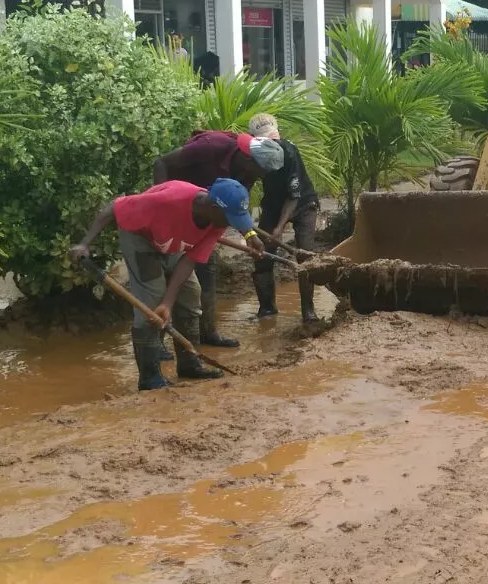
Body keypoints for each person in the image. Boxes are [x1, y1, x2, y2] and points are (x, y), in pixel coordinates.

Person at [69, 178, 264, 391]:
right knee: (151, 301)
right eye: (228, 218)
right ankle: (150, 378)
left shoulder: (215, 221)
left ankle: (189, 364)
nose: (229, 224)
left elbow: (189, 260)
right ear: (213, 207)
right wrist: (85, 243)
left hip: (170, 241)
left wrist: (169, 302)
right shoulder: (167, 201)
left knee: (191, 293)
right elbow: (114, 207)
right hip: (140, 239)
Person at [151, 130, 285, 347]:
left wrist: (249, 235)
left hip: (207, 221)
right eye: (262, 172)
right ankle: (158, 343)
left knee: (207, 270)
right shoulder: (211, 146)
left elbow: (238, 207)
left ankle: (207, 333)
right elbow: (161, 163)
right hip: (175, 213)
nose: (261, 177)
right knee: (166, 279)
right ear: (250, 160)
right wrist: (160, 204)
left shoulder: (248, 173)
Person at [247, 113, 321, 323]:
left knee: (305, 256)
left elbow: (294, 195)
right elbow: (248, 181)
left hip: (303, 204)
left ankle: (308, 311)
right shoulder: (252, 154)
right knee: (261, 255)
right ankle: (267, 309)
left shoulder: (289, 152)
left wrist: (279, 227)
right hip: (272, 205)